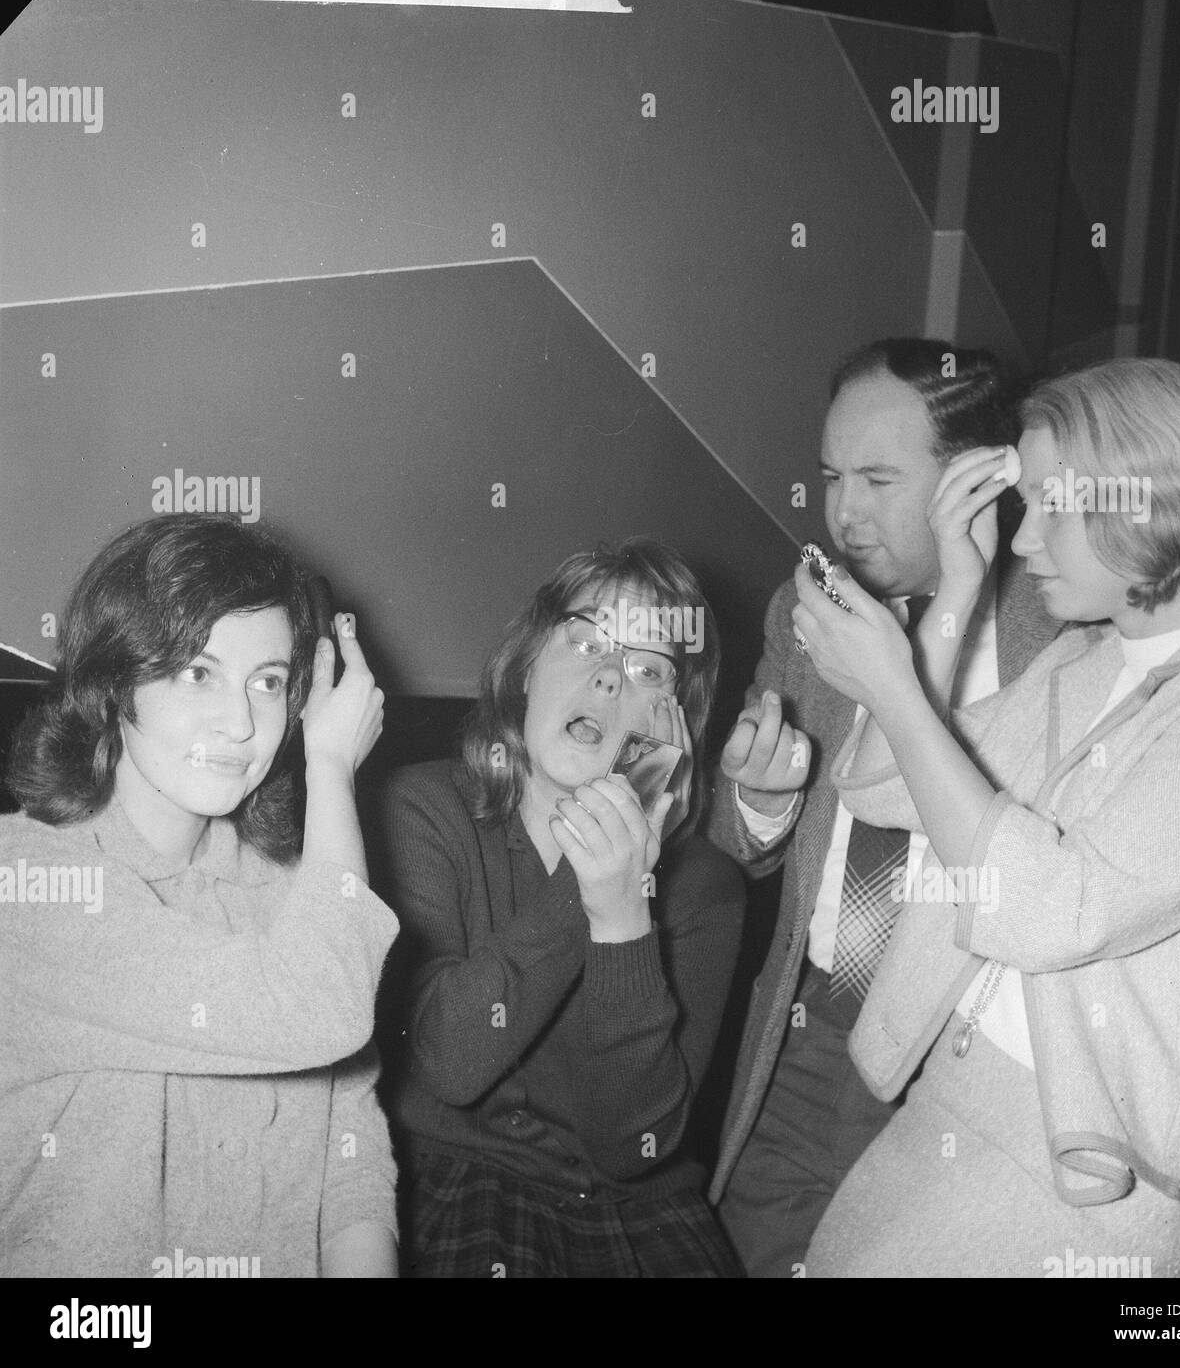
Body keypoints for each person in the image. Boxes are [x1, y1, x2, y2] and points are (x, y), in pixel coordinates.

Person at [796, 357, 1180, 1276]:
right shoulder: (1080, 663)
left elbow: (1048, 909)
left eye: (1053, 506)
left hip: (1091, 1179)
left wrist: (893, 691)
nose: (1024, 543)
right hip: (945, 1108)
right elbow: (875, 786)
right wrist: (952, 594)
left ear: (1146, 499)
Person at [704, 338, 1064, 1277]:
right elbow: (731, 850)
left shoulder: (1064, 621)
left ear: (977, 480)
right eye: (830, 475)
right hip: (815, 1026)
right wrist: (758, 801)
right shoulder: (807, 607)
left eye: (876, 477)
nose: (842, 512)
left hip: (978, 1052)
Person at [0, 514, 398, 1278]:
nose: (242, 721)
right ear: (115, 682)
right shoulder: (30, 886)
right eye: (198, 672)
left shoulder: (297, 897)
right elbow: (319, 1009)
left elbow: (350, 1159)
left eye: (270, 682)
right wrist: (333, 773)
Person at [379, 539, 745, 1278]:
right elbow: (448, 1064)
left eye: (648, 668)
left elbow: (628, 1144)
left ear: (673, 727)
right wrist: (587, 883)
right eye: (584, 642)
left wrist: (621, 915)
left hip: (630, 1216)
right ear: (525, 670)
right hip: (453, 1182)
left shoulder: (707, 888)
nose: (609, 677)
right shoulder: (424, 808)